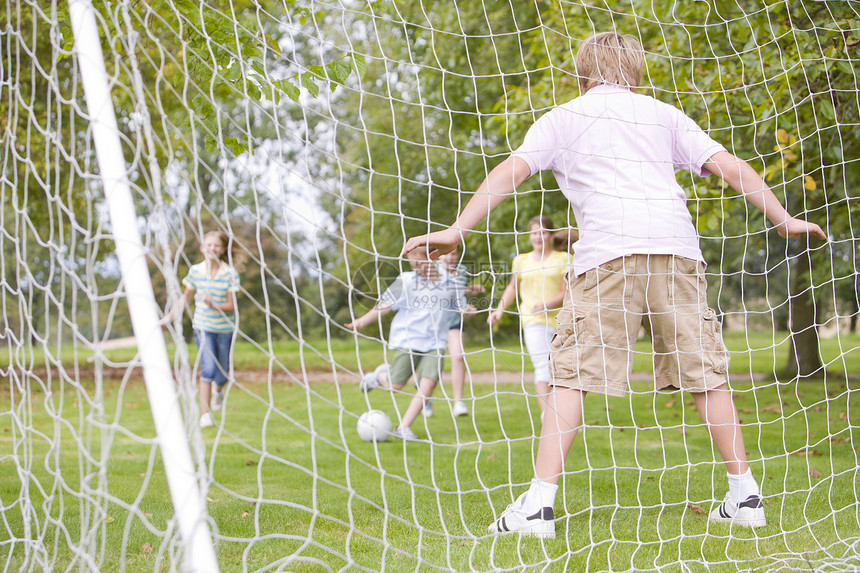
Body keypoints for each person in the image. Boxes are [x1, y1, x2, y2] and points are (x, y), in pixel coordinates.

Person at [402, 32, 826, 536]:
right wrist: (781, 219)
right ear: (636, 69)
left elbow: (509, 173)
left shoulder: (563, 117)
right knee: (704, 371)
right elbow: (729, 166)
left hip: (608, 255)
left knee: (571, 375)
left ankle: (538, 507)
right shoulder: (662, 113)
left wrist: (456, 230)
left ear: (581, 73)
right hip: (676, 251)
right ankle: (746, 496)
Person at [345, 249, 467, 441]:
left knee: (429, 382)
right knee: (395, 385)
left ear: (433, 259)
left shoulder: (451, 281)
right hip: (408, 339)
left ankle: (403, 428)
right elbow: (384, 306)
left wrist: (468, 311)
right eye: (413, 265)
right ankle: (380, 375)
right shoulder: (407, 280)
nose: (417, 269)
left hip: (436, 342)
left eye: (420, 264)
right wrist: (361, 321)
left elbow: (459, 307)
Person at [488, 215, 572, 416]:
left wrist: (547, 304)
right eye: (534, 232)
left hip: (561, 321)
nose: (538, 237)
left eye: (542, 232)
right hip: (532, 320)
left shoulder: (563, 259)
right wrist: (499, 309)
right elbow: (512, 288)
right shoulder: (521, 260)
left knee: (558, 370)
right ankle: (547, 416)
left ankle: (556, 412)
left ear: (550, 236)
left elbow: (566, 291)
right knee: (542, 366)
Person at [162, 230, 240, 429]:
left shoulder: (229, 273)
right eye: (208, 245)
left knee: (222, 374)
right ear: (202, 248)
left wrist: (214, 304)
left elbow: (232, 306)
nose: (212, 248)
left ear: (222, 249)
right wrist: (169, 318)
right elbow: (185, 298)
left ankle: (218, 391)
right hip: (202, 327)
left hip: (224, 329)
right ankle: (205, 414)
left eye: (216, 245)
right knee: (208, 368)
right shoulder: (196, 271)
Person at [423, 245, 483, 418]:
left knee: (458, 357)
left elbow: (455, 294)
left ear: (458, 255)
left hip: (453, 322)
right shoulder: (430, 269)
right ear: (438, 256)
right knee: (430, 361)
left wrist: (466, 304)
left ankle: (458, 402)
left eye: (454, 253)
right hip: (432, 323)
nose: (450, 257)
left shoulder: (462, 270)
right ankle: (426, 400)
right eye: (446, 254)